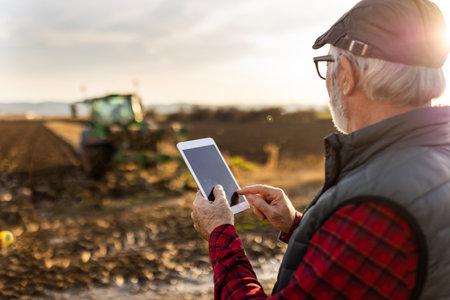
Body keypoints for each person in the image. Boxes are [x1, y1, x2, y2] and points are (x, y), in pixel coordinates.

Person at [191, 0, 450, 298]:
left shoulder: (376, 205)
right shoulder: (434, 154)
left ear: (346, 75)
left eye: (327, 65)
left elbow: (369, 232)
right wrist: (298, 225)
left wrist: (219, 234)